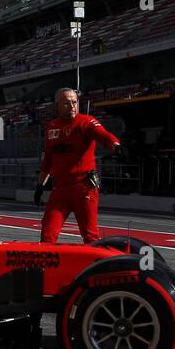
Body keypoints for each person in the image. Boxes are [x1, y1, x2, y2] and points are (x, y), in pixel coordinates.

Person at [33, 87, 120, 245]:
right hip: (60, 189)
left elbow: (104, 135)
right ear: (57, 105)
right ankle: (45, 268)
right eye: (66, 103)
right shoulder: (52, 127)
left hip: (84, 187)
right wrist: (40, 186)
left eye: (74, 102)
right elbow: (48, 160)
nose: (72, 106)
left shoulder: (86, 122)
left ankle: (95, 267)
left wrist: (116, 145)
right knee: (47, 234)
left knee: (90, 236)